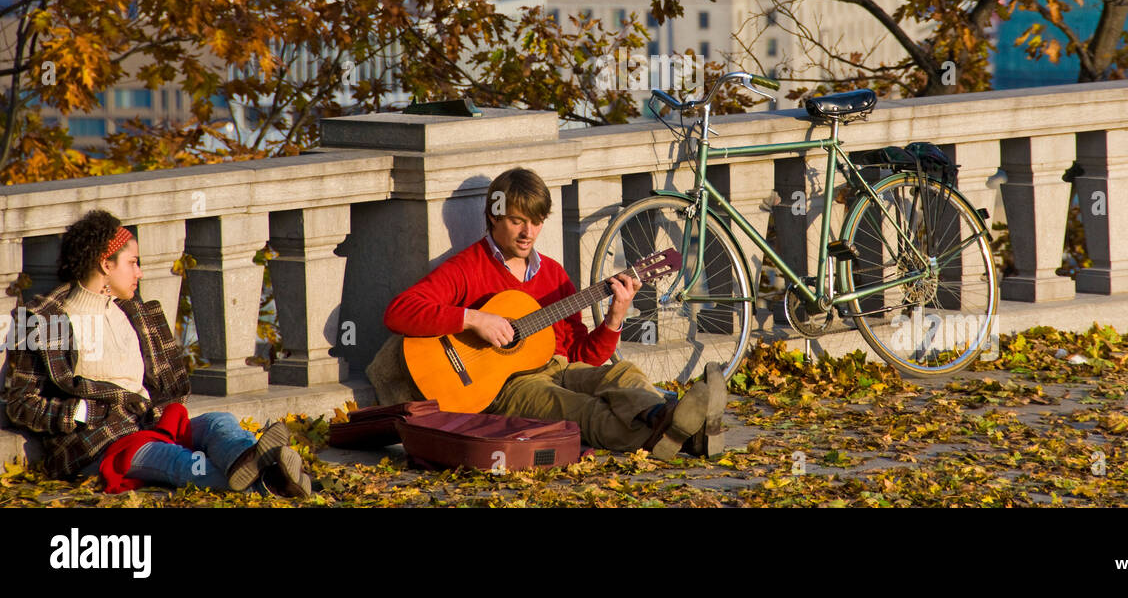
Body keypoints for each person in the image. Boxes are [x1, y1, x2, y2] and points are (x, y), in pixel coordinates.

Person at [372, 167, 726, 459]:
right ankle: (684, 429)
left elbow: (584, 355)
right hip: (504, 387)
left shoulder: (553, 274)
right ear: (493, 218)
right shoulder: (467, 267)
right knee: (583, 410)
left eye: (537, 222)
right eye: (517, 221)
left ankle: (667, 419)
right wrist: (474, 319)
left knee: (621, 375)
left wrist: (615, 317)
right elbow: (399, 312)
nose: (529, 233)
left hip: (558, 366)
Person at [4, 210, 310, 496]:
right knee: (178, 460)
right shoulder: (45, 321)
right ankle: (272, 479)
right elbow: (19, 403)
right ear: (104, 264)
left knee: (219, 422)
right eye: (132, 262)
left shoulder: (131, 312)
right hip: (100, 442)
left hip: (148, 421)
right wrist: (81, 412)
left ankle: (250, 460)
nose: (139, 271)